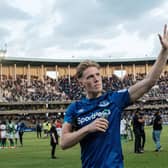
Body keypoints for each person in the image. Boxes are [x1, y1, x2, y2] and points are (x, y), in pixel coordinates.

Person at [60, 25, 168, 168]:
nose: (96, 79)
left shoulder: (114, 99)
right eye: (90, 77)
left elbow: (148, 82)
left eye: (98, 75)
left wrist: (164, 51)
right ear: (81, 82)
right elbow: (63, 142)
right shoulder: (75, 108)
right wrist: (87, 128)